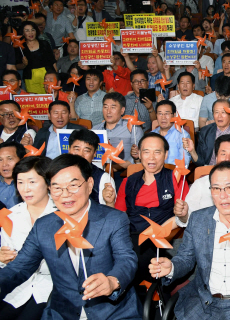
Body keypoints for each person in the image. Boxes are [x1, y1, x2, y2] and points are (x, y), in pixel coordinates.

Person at [0, 154, 142, 319]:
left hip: (112, 312)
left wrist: (112, 281)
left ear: (89, 184)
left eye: (73, 185)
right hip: (62, 313)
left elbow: (126, 259)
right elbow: (19, 268)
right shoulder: (44, 226)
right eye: (57, 187)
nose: (65, 194)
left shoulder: (113, 219)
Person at [150, 161, 230, 319]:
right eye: (216, 188)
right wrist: (171, 267)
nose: (222, 195)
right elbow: (185, 259)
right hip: (203, 301)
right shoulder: (198, 219)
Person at [115, 133, 189, 285]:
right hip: (132, 238)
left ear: (166, 154)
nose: (152, 157)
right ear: (140, 154)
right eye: (146, 152)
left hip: (164, 237)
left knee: (142, 256)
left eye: (157, 152)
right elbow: (119, 218)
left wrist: (159, 231)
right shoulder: (127, 182)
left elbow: (182, 218)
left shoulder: (176, 178)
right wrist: (110, 202)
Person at [0, 156, 54, 319]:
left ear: (48, 182)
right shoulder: (10, 216)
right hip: (16, 290)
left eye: (32, 182)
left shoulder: (62, 216)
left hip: (50, 290)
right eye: (20, 182)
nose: (25, 189)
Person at [179, 134, 230, 227]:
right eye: (223, 154)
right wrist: (183, 216)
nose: (227, 159)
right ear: (217, 158)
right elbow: (188, 220)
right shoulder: (200, 184)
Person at [93, 92, 144, 185]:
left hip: (124, 173)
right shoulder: (95, 129)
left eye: (113, 107)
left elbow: (139, 157)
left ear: (122, 110)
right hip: (98, 172)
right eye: (105, 107)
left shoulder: (133, 128)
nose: (108, 111)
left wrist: (114, 168)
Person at [190, 99, 230, 166]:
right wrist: (192, 151)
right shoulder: (205, 132)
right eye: (216, 112)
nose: (219, 116)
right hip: (210, 171)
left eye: (223, 112)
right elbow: (200, 163)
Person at [67, 129, 116, 208]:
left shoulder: (103, 178)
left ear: (94, 154)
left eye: (86, 151)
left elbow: (109, 214)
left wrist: (109, 203)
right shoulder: (59, 173)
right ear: (69, 150)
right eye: (77, 149)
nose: (81, 155)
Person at [17, 21, 57, 94]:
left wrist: (56, 75)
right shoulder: (19, 47)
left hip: (46, 74)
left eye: (33, 30)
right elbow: (17, 65)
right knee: (35, 99)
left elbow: (52, 61)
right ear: (23, 33)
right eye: (27, 30)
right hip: (30, 77)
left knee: (50, 96)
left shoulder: (44, 43)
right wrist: (24, 64)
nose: (30, 33)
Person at [150, 100, 192, 166]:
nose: (163, 117)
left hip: (173, 173)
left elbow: (184, 161)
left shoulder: (182, 135)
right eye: (160, 114)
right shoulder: (150, 136)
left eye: (167, 114)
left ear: (174, 115)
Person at [0, 142, 25, 213]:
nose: (4, 164)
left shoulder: (28, 185)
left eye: (10, 159)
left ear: (22, 160)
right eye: (0, 160)